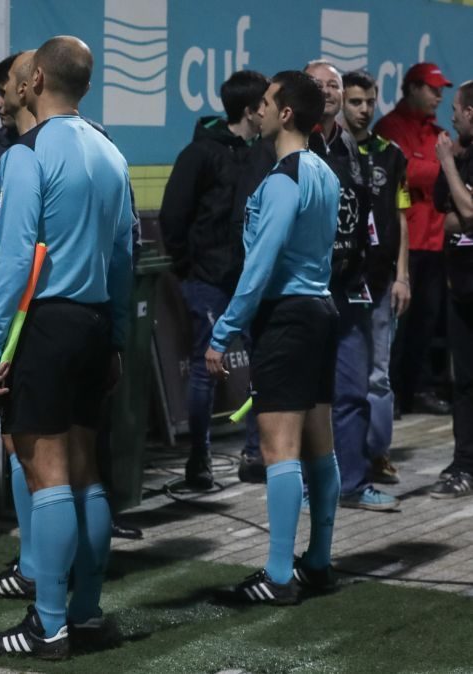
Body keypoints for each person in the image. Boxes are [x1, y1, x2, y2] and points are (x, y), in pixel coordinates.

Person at [0, 35, 133, 659]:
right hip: (95, 323)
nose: (11, 87)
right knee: (88, 474)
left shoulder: (25, 154)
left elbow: (11, 261)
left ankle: (47, 625)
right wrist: (117, 336)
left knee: (48, 480)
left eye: (18, 78)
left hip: (46, 325)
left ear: (35, 79)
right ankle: (86, 614)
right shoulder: (110, 153)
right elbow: (124, 258)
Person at [206, 70, 340, 604]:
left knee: (279, 449)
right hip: (320, 313)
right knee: (318, 447)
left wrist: (224, 332)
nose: (256, 110)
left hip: (288, 317)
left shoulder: (286, 177)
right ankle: (319, 561)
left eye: (265, 102)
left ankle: (279, 575)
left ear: (285, 113)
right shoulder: (323, 172)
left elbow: (260, 265)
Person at [159, 69, 269, 489]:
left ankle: (256, 452)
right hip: (208, 280)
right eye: (266, 105)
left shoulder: (263, 153)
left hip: (251, 281)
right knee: (208, 368)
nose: (271, 111)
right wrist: (191, 268)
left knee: (263, 363)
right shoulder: (202, 154)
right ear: (250, 110)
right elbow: (173, 216)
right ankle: (199, 458)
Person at [304, 60, 398, 511]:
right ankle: (305, 486)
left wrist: (369, 267)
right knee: (305, 395)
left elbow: (369, 220)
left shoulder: (353, 151)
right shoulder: (287, 145)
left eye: (334, 85)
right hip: (301, 290)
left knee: (353, 391)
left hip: (349, 288)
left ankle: (353, 484)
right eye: (318, 84)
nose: (328, 92)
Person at [339, 70, 411, 486]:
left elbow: (400, 217)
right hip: (342, 282)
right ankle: (343, 453)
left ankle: (377, 453)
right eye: (355, 102)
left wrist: (403, 275)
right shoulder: (327, 150)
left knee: (378, 374)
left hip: (382, 282)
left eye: (369, 102)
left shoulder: (391, 154)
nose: (364, 110)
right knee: (344, 372)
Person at [374, 63, 453, 417]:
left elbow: (423, 172)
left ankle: (417, 389)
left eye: (441, 90)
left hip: (436, 243)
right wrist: (446, 168)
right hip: (405, 244)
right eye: (433, 89)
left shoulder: (436, 132)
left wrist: (437, 169)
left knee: (425, 322)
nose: (439, 96)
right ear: (412, 88)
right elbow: (404, 171)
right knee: (397, 327)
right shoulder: (390, 127)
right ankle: (389, 394)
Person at [431, 80, 473, 499]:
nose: (452, 117)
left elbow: (469, 213)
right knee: (462, 382)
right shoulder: (465, 153)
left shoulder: (453, 158)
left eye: (457, 110)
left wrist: (446, 161)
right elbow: (447, 209)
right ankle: (464, 464)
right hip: (461, 286)